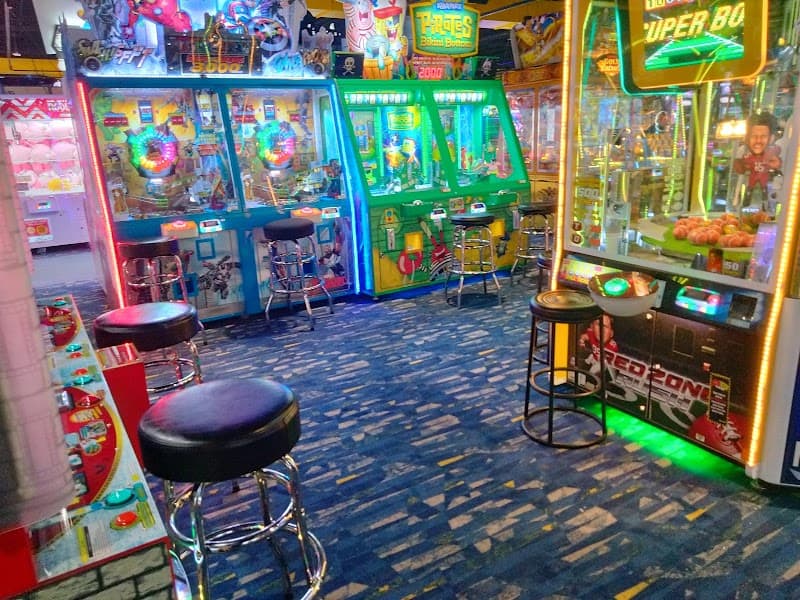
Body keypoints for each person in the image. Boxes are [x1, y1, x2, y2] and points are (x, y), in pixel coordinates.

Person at [733, 112, 783, 207]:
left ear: (771, 138)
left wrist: (774, 163)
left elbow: (779, 165)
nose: (758, 141)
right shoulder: (744, 151)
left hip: (766, 183)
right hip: (751, 181)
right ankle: (746, 203)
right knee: (750, 190)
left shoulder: (775, 151)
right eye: (754, 136)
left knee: (765, 192)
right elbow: (739, 172)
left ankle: (766, 205)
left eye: (763, 136)